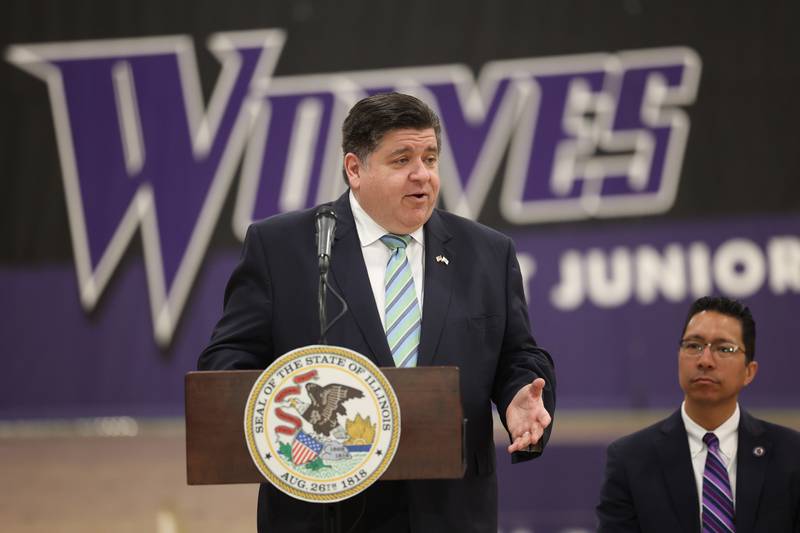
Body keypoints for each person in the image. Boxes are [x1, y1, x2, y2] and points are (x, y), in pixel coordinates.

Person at [199, 92, 556, 532]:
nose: (421, 174)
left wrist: (520, 394)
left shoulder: (486, 252)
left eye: (429, 157)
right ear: (355, 169)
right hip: (322, 508)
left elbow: (517, 354)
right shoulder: (284, 248)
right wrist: (294, 414)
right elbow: (227, 364)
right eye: (401, 160)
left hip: (449, 510)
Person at [596, 296, 800, 532]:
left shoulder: (791, 455)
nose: (705, 360)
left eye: (724, 348)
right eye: (693, 346)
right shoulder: (630, 459)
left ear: (749, 371)